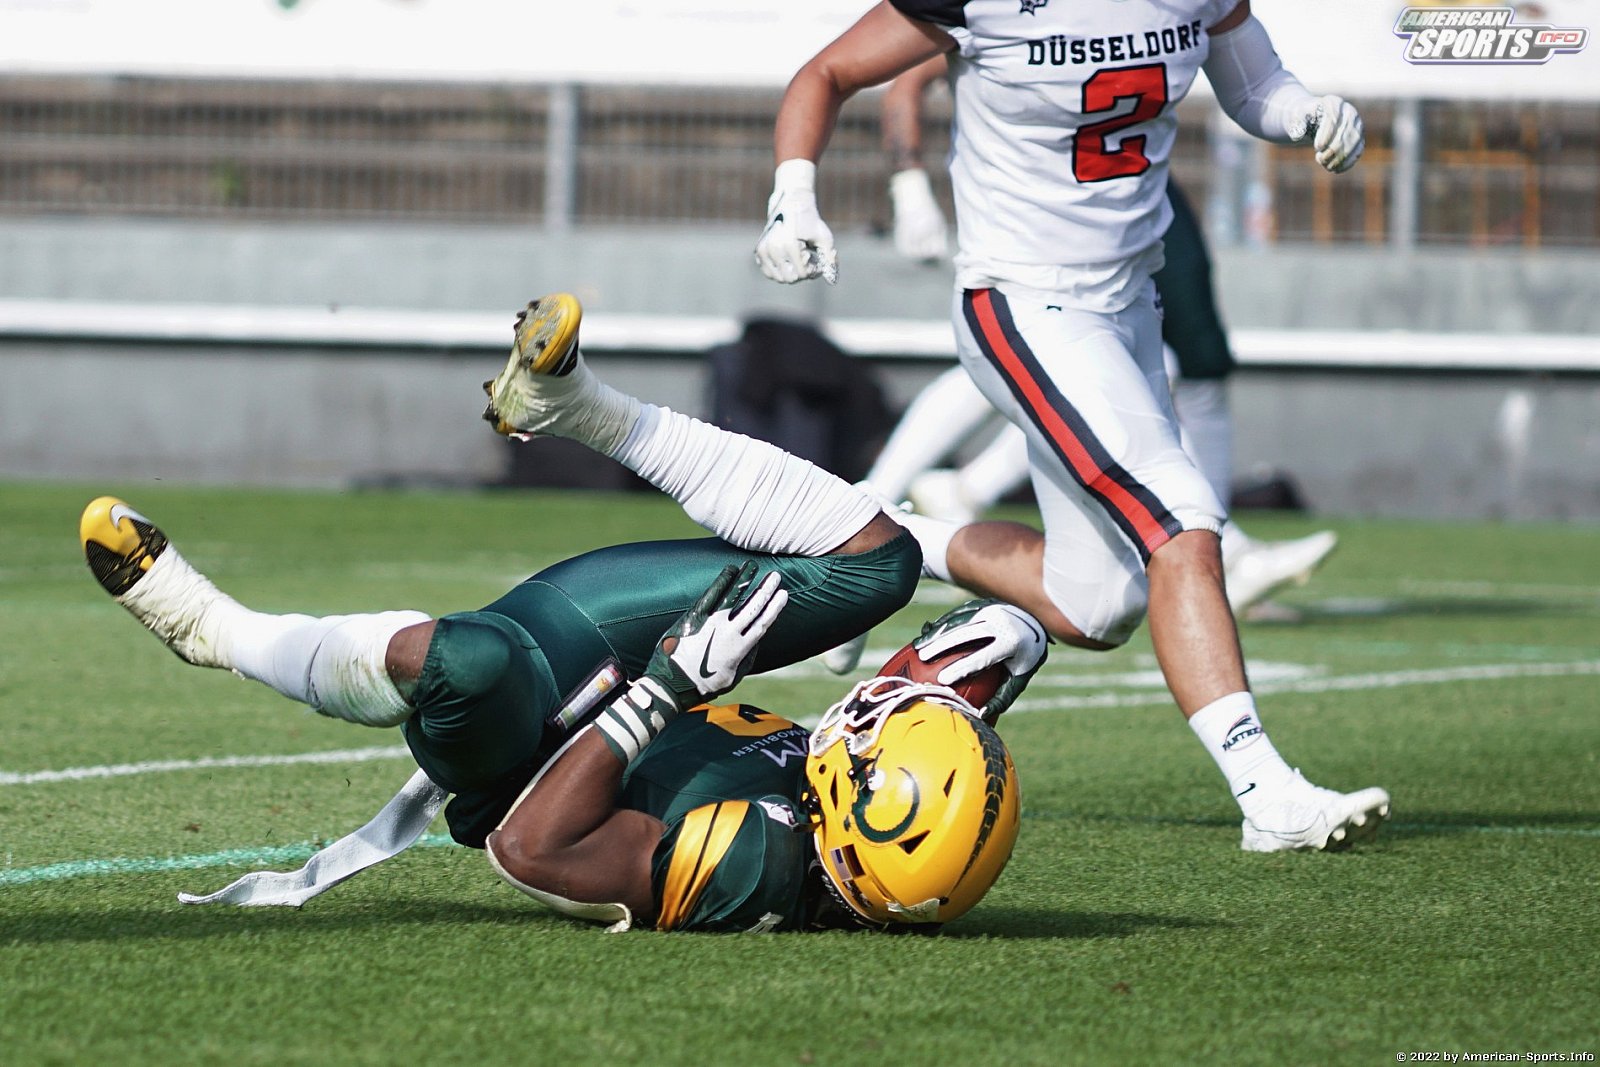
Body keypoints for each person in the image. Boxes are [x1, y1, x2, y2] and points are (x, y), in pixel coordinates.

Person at [80, 292, 1040, 931]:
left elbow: (531, 849)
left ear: (863, 818)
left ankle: (214, 630)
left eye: (877, 739)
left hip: (538, 753)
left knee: (467, 662)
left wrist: (664, 690)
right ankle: (575, 405)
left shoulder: (756, 862)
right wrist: (999, 654)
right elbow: (912, 725)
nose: (872, 716)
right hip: (640, 679)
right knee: (880, 567)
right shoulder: (865, 830)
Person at [756, 0, 1390, 852]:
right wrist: (793, 195)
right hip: (1024, 299)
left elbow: (1254, 86)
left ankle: (869, 537)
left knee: (1096, 605)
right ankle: (1267, 794)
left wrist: (1308, 110)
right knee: (1182, 524)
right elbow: (827, 72)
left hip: (1130, 303)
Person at [868, 54, 1337, 617]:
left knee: (1101, 610)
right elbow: (876, 71)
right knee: (1032, 358)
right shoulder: (1002, 24)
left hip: (1122, 196)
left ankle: (917, 506)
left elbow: (1241, 60)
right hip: (1032, 209)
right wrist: (905, 185)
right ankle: (872, 517)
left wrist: (1298, 107)